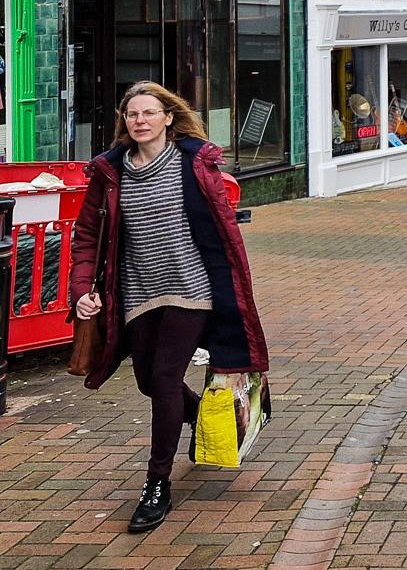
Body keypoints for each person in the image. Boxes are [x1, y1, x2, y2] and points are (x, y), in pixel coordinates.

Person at [70, 82, 268, 534]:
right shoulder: (110, 171)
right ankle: (208, 421)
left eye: (148, 113)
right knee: (147, 381)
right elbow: (86, 235)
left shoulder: (193, 164)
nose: (139, 120)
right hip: (137, 293)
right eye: (131, 114)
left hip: (191, 289)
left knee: (163, 378)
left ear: (168, 118)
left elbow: (224, 232)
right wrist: (82, 288)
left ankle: (156, 485)